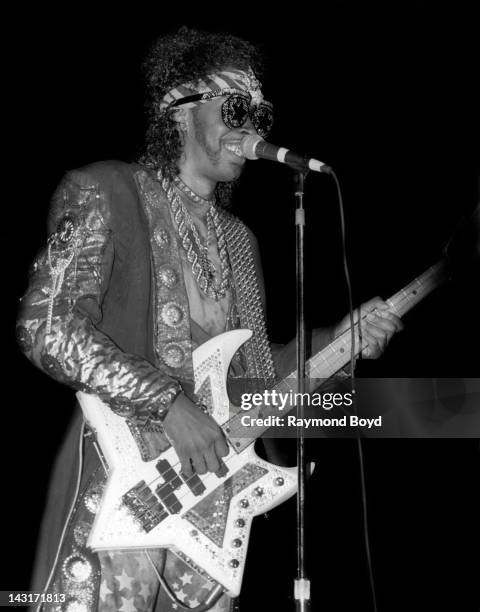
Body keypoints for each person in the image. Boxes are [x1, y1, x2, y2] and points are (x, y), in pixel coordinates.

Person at [16, 27, 403, 612]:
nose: (254, 129)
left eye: (262, 114)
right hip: (118, 487)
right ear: (179, 110)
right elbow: (47, 326)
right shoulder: (104, 190)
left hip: (207, 506)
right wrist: (168, 402)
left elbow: (250, 383)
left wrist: (339, 342)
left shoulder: (240, 243)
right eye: (237, 109)